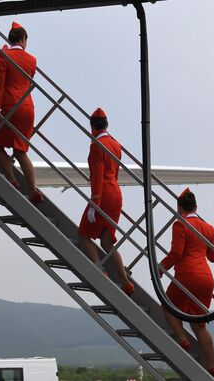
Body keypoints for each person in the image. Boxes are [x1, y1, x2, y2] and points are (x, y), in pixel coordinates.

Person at [158, 188, 214, 379]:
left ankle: (182, 339)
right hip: (206, 279)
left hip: (187, 275)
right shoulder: (207, 227)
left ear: (179, 207)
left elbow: (176, 253)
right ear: (196, 207)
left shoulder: (180, 224)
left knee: (167, 305)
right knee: (200, 324)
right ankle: (212, 366)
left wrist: (160, 267)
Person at [78, 108, 134, 295]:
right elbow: (114, 173)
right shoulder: (116, 145)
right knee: (107, 242)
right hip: (116, 193)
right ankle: (125, 281)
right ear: (107, 125)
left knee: (84, 234)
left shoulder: (96, 145)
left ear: (92, 126)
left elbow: (97, 177)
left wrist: (95, 203)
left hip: (103, 194)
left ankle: (99, 269)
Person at [0, 21, 43, 205]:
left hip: (10, 108)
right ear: (23, 39)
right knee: (21, 152)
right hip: (28, 108)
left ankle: (12, 180)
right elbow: (26, 81)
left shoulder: (3, 55)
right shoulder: (32, 60)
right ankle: (33, 190)